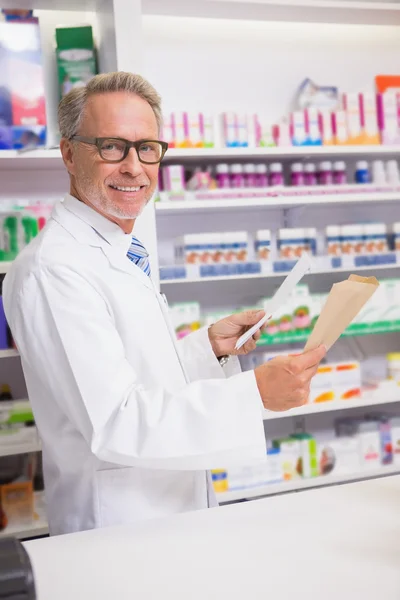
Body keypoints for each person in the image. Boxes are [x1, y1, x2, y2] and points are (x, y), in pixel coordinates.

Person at [3, 72, 326, 536]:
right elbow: (116, 421)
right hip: (117, 530)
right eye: (112, 146)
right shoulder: (53, 269)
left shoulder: (119, 245)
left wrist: (205, 350)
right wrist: (253, 394)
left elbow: (134, 375)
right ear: (70, 154)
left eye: (147, 147)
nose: (134, 166)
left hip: (170, 515)